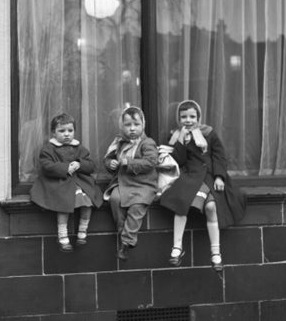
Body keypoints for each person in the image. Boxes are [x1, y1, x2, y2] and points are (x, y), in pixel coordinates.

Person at [159, 100, 246, 271]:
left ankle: (216, 253)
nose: (188, 120)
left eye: (192, 116)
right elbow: (179, 159)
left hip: (209, 176)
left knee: (212, 207)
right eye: (184, 117)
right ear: (179, 118)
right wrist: (181, 142)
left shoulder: (209, 133)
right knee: (181, 205)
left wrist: (220, 177)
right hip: (190, 176)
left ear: (198, 117)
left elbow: (219, 156)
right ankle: (177, 247)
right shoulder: (177, 135)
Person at [30, 113, 103, 252]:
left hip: (79, 182)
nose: (67, 134)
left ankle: (83, 231)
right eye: (61, 131)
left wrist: (80, 164)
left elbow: (92, 165)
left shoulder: (79, 148)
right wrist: (65, 168)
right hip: (59, 182)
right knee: (63, 203)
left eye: (70, 130)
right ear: (53, 133)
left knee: (88, 201)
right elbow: (46, 165)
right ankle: (62, 235)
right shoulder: (49, 148)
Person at [103, 106, 158, 261]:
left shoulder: (147, 143)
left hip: (143, 184)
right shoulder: (119, 142)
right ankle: (122, 231)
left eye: (136, 124)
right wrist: (110, 163)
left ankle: (127, 241)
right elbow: (108, 158)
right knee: (115, 199)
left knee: (136, 207)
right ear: (122, 127)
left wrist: (128, 162)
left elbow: (150, 162)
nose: (132, 129)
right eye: (128, 125)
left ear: (143, 125)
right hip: (122, 182)